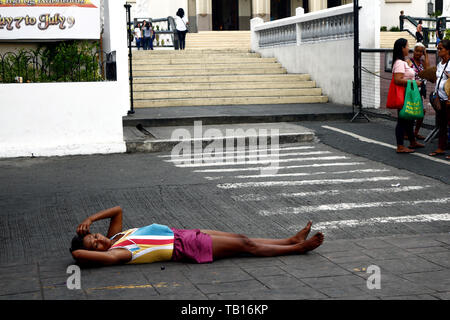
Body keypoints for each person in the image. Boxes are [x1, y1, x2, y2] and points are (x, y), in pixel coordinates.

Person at [70, 206, 325, 267]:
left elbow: (117, 210)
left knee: (242, 237)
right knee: (245, 246)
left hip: (184, 234)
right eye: (95, 244)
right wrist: (86, 250)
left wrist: (90, 220)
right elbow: (77, 254)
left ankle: (289, 241)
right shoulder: (118, 253)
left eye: (96, 236)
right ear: (97, 252)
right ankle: (297, 249)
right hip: (185, 247)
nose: (100, 240)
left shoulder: (117, 237)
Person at [391, 38, 425, 153]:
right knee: (402, 120)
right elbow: (397, 79)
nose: (408, 48)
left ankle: (412, 142)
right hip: (404, 94)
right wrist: (414, 82)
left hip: (408, 93)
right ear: (402, 48)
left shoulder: (402, 61)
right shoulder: (400, 63)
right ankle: (400, 146)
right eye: (407, 46)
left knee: (409, 119)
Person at [429, 40, 450, 157]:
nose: (438, 51)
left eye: (441, 48)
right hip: (440, 99)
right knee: (442, 125)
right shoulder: (440, 64)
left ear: (448, 50)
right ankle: (440, 148)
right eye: (438, 48)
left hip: (448, 100)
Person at [409, 42, 430, 140]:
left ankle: (415, 132)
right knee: (411, 112)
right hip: (411, 90)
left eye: (421, 52)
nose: (418, 53)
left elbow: (428, 70)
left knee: (421, 112)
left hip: (420, 91)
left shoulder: (422, 62)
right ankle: (408, 132)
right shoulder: (409, 61)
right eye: (417, 51)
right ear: (413, 51)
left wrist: (426, 55)